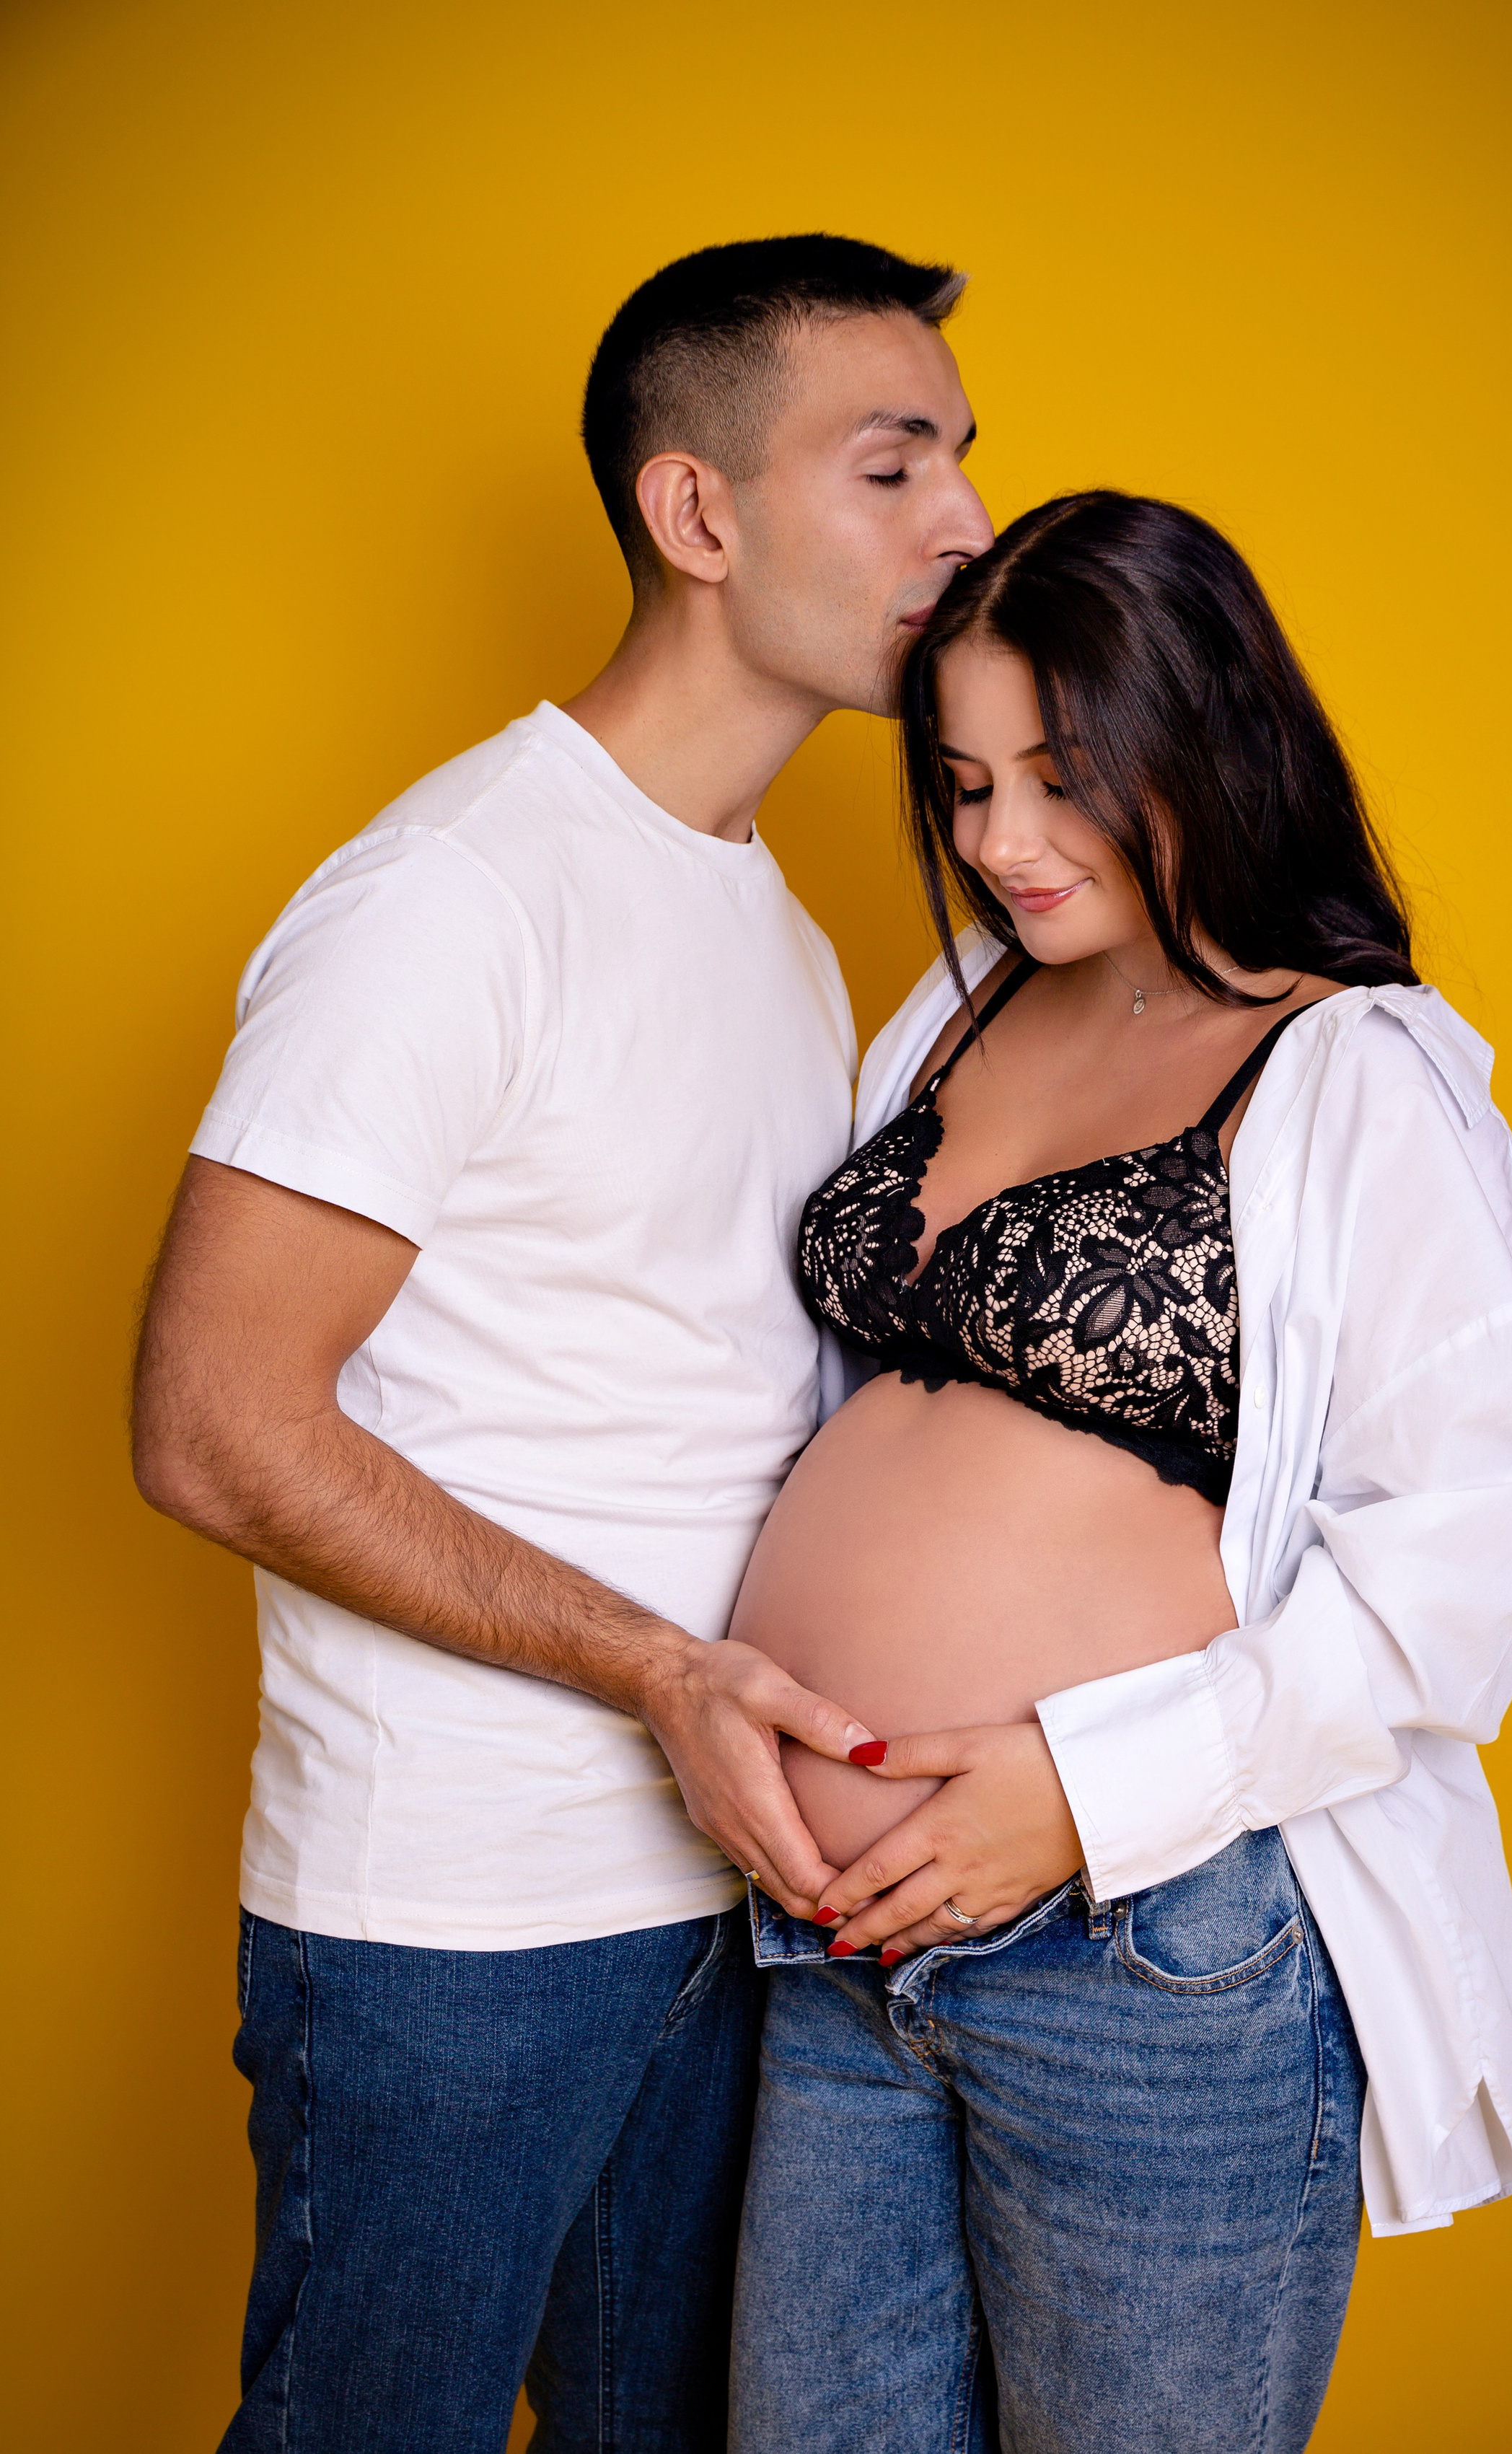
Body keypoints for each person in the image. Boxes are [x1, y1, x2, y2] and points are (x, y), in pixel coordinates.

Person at [130, 234, 992, 2454]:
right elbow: (215, 1422)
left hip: (737, 1893)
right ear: (695, 511)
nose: (967, 524)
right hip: (455, 1925)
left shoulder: (777, 927)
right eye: (893, 465)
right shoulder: (454, 895)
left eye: (962, 462)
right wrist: (656, 1672)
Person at [725, 491, 1512, 2454]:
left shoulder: (1352, 1071)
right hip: (838, 1939)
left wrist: (1088, 1788)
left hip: (1140, 1951)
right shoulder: (953, 1009)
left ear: (1201, 736)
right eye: (966, 783)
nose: (1002, 841)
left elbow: (1507, 1538)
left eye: (1062, 778)